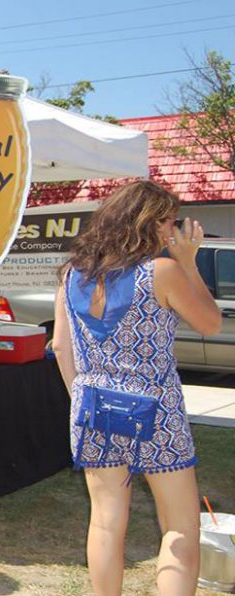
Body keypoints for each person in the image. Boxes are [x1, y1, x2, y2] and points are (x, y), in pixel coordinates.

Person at [51, 180, 221, 596]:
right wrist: (190, 263)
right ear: (149, 222)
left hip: (94, 406)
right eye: (169, 221)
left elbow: (59, 346)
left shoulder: (73, 272)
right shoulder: (162, 271)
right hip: (157, 411)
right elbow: (211, 323)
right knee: (180, 527)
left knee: (106, 521)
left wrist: (83, 398)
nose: (172, 230)